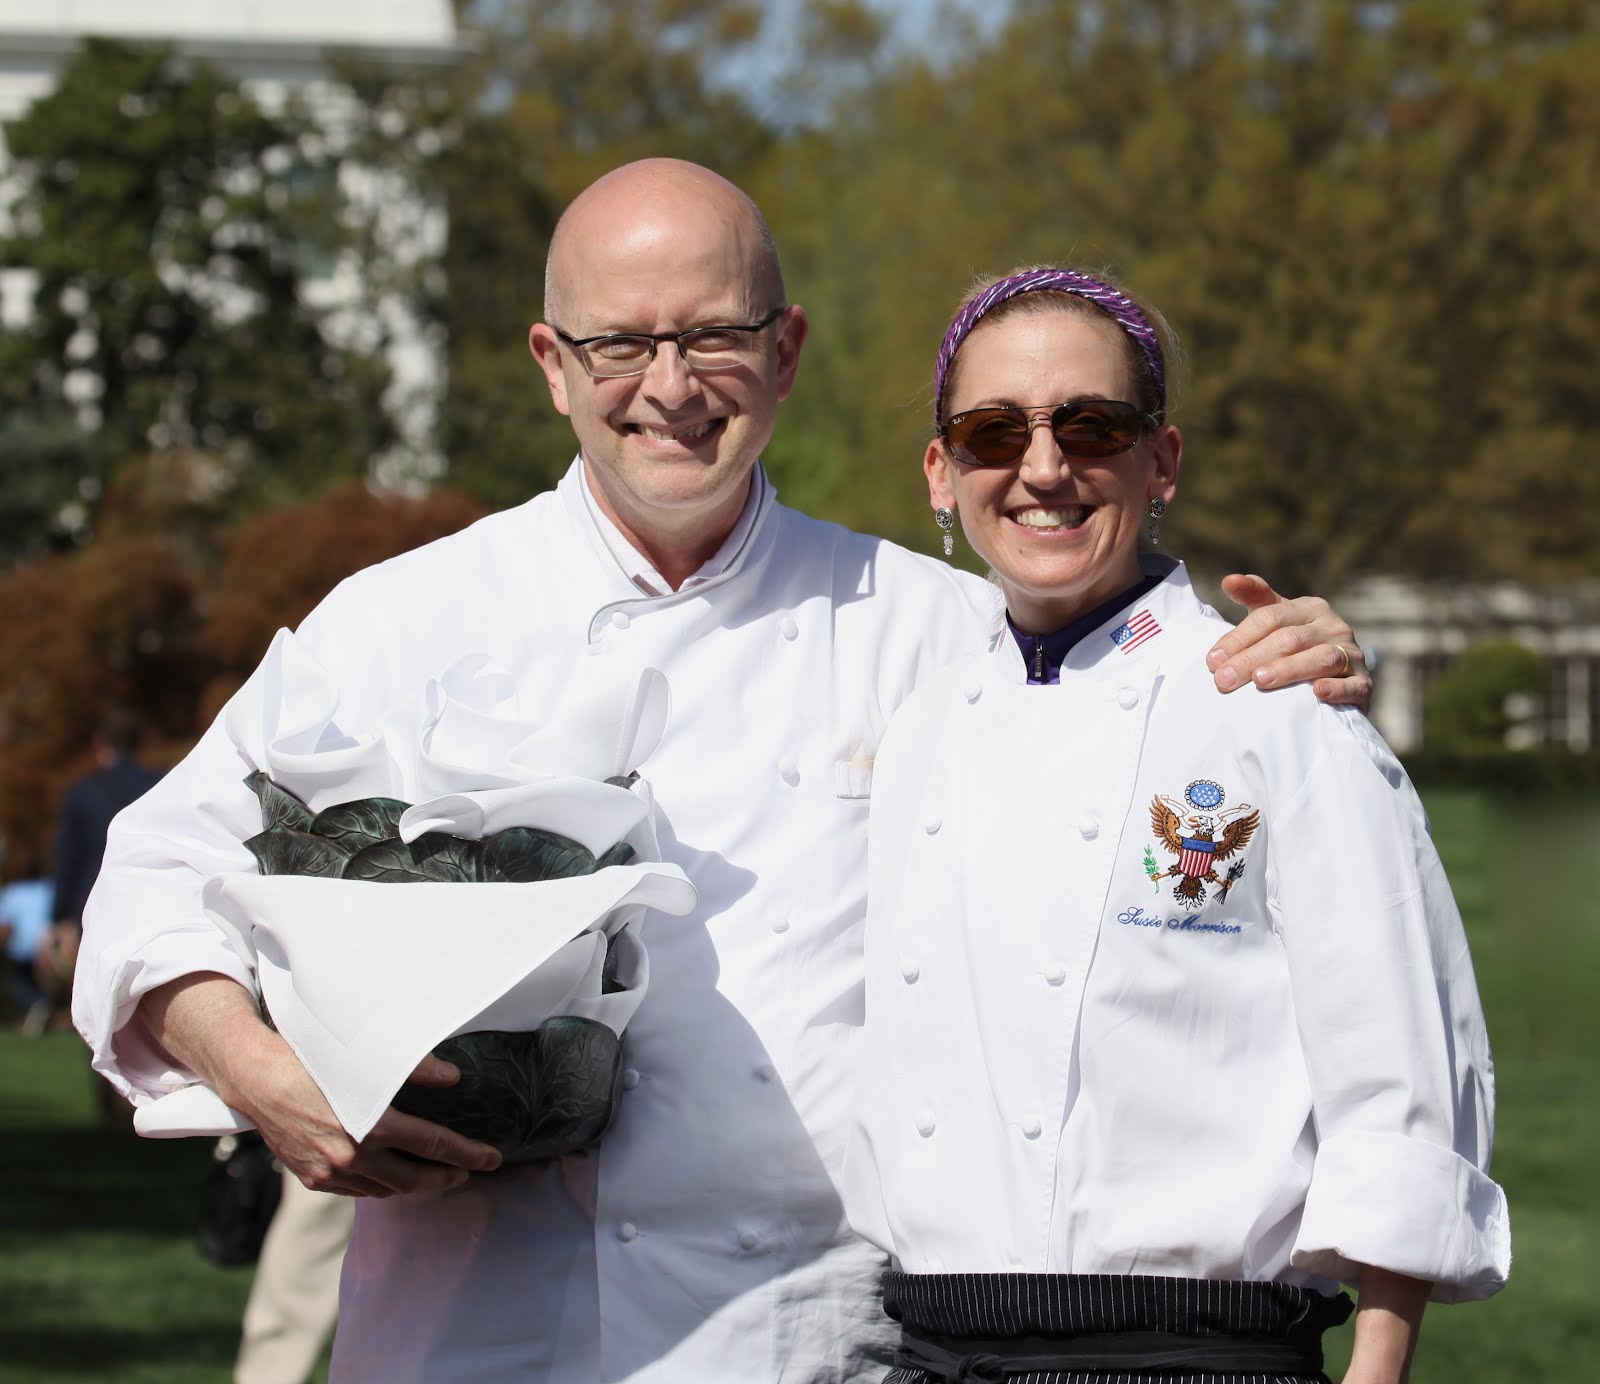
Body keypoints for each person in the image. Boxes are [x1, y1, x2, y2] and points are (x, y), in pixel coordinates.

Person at [74, 160, 1373, 1383]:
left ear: (786, 351)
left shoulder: (939, 631)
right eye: (619, 343)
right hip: (472, 1329)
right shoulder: (403, 618)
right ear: (552, 366)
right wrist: (262, 1077)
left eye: (713, 336)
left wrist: (1284, 657)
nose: (670, 385)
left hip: (814, 1338)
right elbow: (157, 871)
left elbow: (1158, 735)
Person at [845, 266, 1510, 1384]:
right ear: (940, 473)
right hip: (937, 1349)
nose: (1043, 468)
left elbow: (1400, 1071)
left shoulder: (1277, 703)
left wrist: (1380, 1364)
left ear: (1161, 461)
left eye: (1091, 426)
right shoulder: (919, 731)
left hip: (1201, 1353)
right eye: (994, 431)